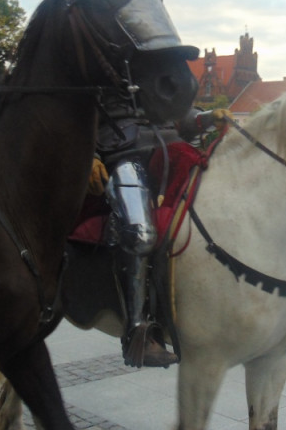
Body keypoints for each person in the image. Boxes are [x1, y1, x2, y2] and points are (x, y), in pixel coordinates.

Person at [89, 102, 226, 368]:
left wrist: (207, 118)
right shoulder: (97, 61)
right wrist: (86, 153)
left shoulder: (149, 61)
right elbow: (72, 108)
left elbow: (173, 108)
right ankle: (137, 332)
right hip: (118, 152)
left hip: (168, 150)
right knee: (139, 232)